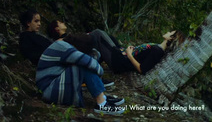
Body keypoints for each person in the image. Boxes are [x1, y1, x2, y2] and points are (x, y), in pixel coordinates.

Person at [47, 21, 185, 74]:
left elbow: (142, 69)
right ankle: (87, 60)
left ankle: (67, 42)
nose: (168, 31)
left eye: (171, 32)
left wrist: (130, 55)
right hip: (120, 54)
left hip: (119, 61)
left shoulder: (157, 51)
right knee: (106, 38)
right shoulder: (156, 47)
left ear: (170, 38)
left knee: (98, 34)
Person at [36, 38, 125, 115]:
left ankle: (103, 98)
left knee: (85, 64)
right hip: (49, 90)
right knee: (84, 65)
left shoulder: (63, 44)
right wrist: (99, 72)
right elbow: (91, 63)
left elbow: (93, 56)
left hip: (51, 86)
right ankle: (102, 104)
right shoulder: (64, 47)